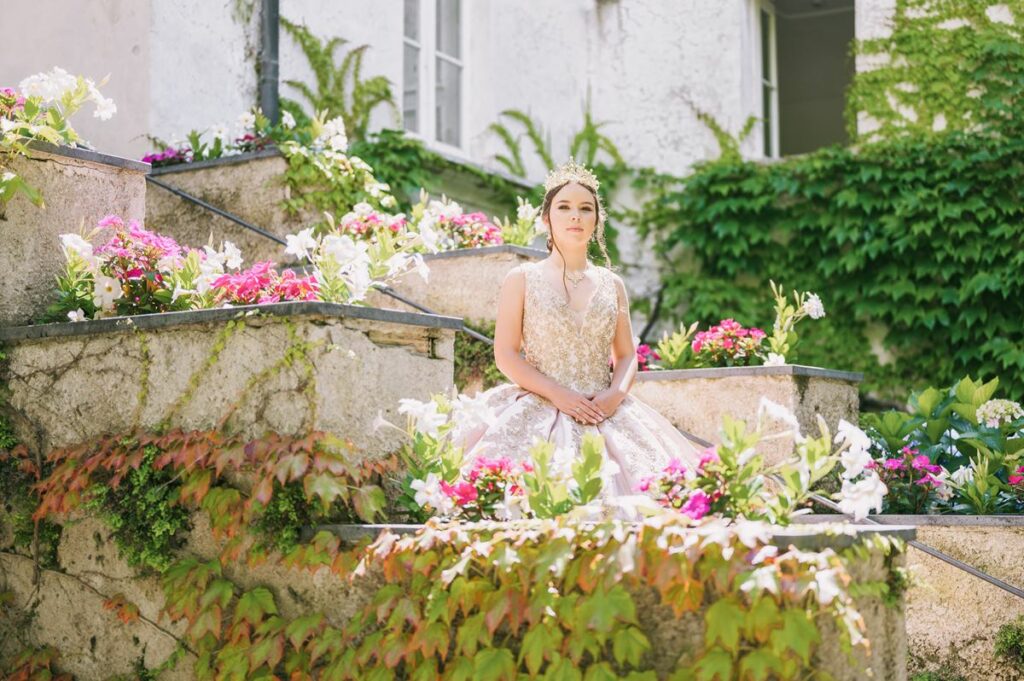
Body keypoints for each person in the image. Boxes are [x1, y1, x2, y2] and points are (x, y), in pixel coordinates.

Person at [454, 158, 700, 505]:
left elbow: (627, 354)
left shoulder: (612, 284)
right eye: (564, 207)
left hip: (605, 408)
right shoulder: (521, 279)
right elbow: (506, 354)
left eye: (586, 209)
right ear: (546, 218)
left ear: (596, 220)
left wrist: (614, 395)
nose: (575, 216)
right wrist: (558, 394)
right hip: (541, 402)